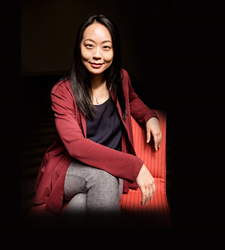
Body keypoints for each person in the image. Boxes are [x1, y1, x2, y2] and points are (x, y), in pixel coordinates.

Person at [33, 14, 162, 227]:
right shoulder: (62, 91)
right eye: (89, 46)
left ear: (114, 51)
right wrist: (135, 166)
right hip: (72, 169)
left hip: (112, 169)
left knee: (84, 201)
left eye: (106, 47)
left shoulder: (121, 78)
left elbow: (132, 99)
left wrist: (150, 116)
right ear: (79, 48)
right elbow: (76, 146)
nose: (97, 55)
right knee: (103, 177)